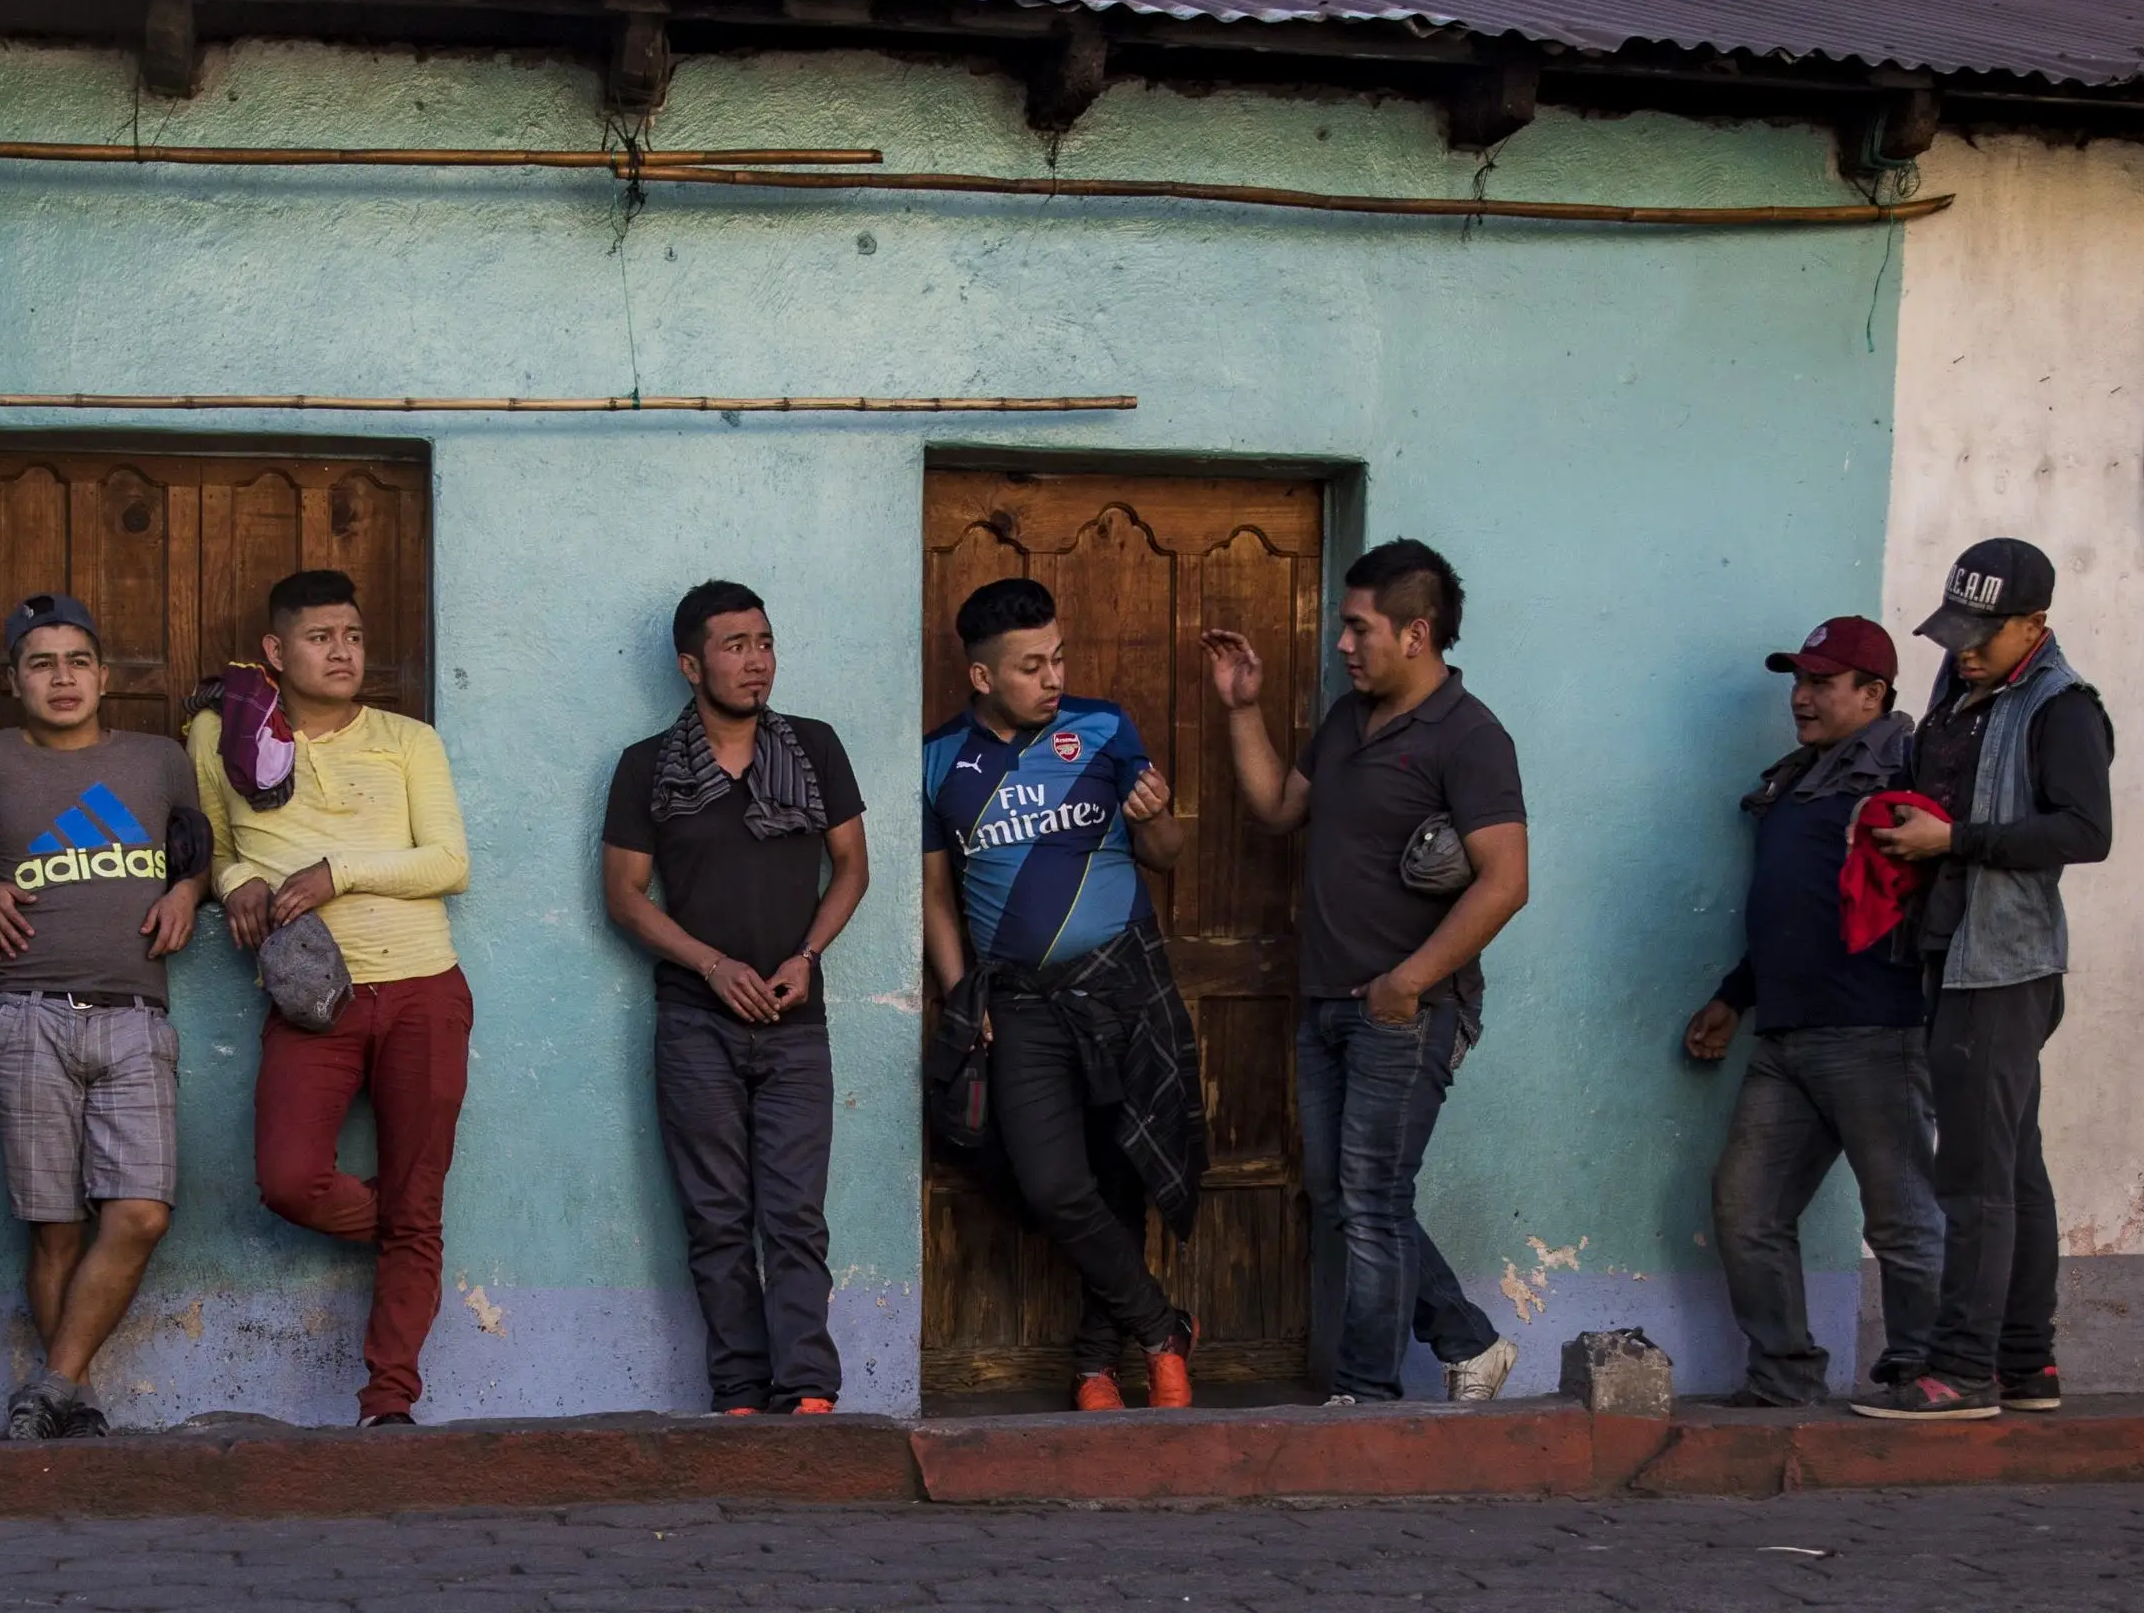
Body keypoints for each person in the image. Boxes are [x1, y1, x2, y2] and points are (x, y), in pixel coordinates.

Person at [1202, 539, 1528, 1407]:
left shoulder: (1469, 737)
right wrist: (1243, 710)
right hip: (1326, 1000)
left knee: (1373, 1199)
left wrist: (1408, 982)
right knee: (1341, 1194)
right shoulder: (1348, 719)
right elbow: (1278, 809)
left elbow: (1507, 882)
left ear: (1416, 633)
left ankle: (1365, 1396)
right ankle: (1469, 1343)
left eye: (1358, 628)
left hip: (1405, 1010)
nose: (1342, 646)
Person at [192, 569, 472, 1426]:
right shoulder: (220, 736)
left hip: (423, 988)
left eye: (351, 635)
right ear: (276, 652)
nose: (342, 651)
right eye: (320, 637)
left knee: (416, 1200)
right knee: (290, 1179)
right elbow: (206, 842)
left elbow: (448, 862)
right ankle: (410, 1231)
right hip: (314, 999)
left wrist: (335, 872)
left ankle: (388, 1401)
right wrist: (236, 877)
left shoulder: (406, 738)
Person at [922, 578, 1204, 1414]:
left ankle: (1096, 1366)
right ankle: (1162, 1328)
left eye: (1058, 658)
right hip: (1018, 1003)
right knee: (1049, 1183)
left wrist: (1154, 818)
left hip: (1122, 987)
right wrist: (959, 999)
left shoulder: (1105, 727)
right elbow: (937, 898)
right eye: (1030, 666)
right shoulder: (938, 761)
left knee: (1124, 1172)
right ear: (982, 679)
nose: (1052, 678)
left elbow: (1169, 851)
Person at [1853, 539, 2111, 1422]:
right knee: (2014, 1168)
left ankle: (1959, 1373)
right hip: (1949, 951)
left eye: (1983, 633)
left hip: (1999, 968)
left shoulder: (2060, 707)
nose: (1962, 648)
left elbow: (2083, 830)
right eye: (1954, 628)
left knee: (1971, 1176)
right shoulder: (1959, 694)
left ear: (2034, 625)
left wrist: (1953, 842)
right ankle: (2025, 1365)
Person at [602, 581, 869, 1416]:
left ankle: (808, 1393)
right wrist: (713, 966)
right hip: (694, 1022)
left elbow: (851, 868)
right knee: (716, 1219)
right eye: (734, 646)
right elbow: (625, 895)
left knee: (794, 1217)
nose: (756, 662)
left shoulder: (814, 748)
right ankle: (740, 1395)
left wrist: (806, 955)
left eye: (764, 642)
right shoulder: (648, 767)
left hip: (795, 1022)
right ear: (690, 665)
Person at [0, 592, 211, 1440]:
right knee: (54, 1230)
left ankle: (51, 1384)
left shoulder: (158, 759)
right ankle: (77, 1397)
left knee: (139, 1212)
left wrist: (186, 891)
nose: (61, 678)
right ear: (12, 680)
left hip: (136, 1015)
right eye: (41, 663)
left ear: (103, 676)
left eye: (76, 661)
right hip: (27, 1012)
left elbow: (196, 854)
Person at [1684, 616, 1941, 1406]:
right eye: (1798, 681)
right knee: (1745, 1207)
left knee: (1900, 1216)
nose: (1800, 697)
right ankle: (1785, 1377)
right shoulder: (1800, 778)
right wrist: (1734, 997)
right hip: (1785, 1034)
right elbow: (1793, 911)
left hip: (1875, 1030)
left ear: (1872, 694)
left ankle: (1925, 1372)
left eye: (1820, 683)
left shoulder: (1906, 771)